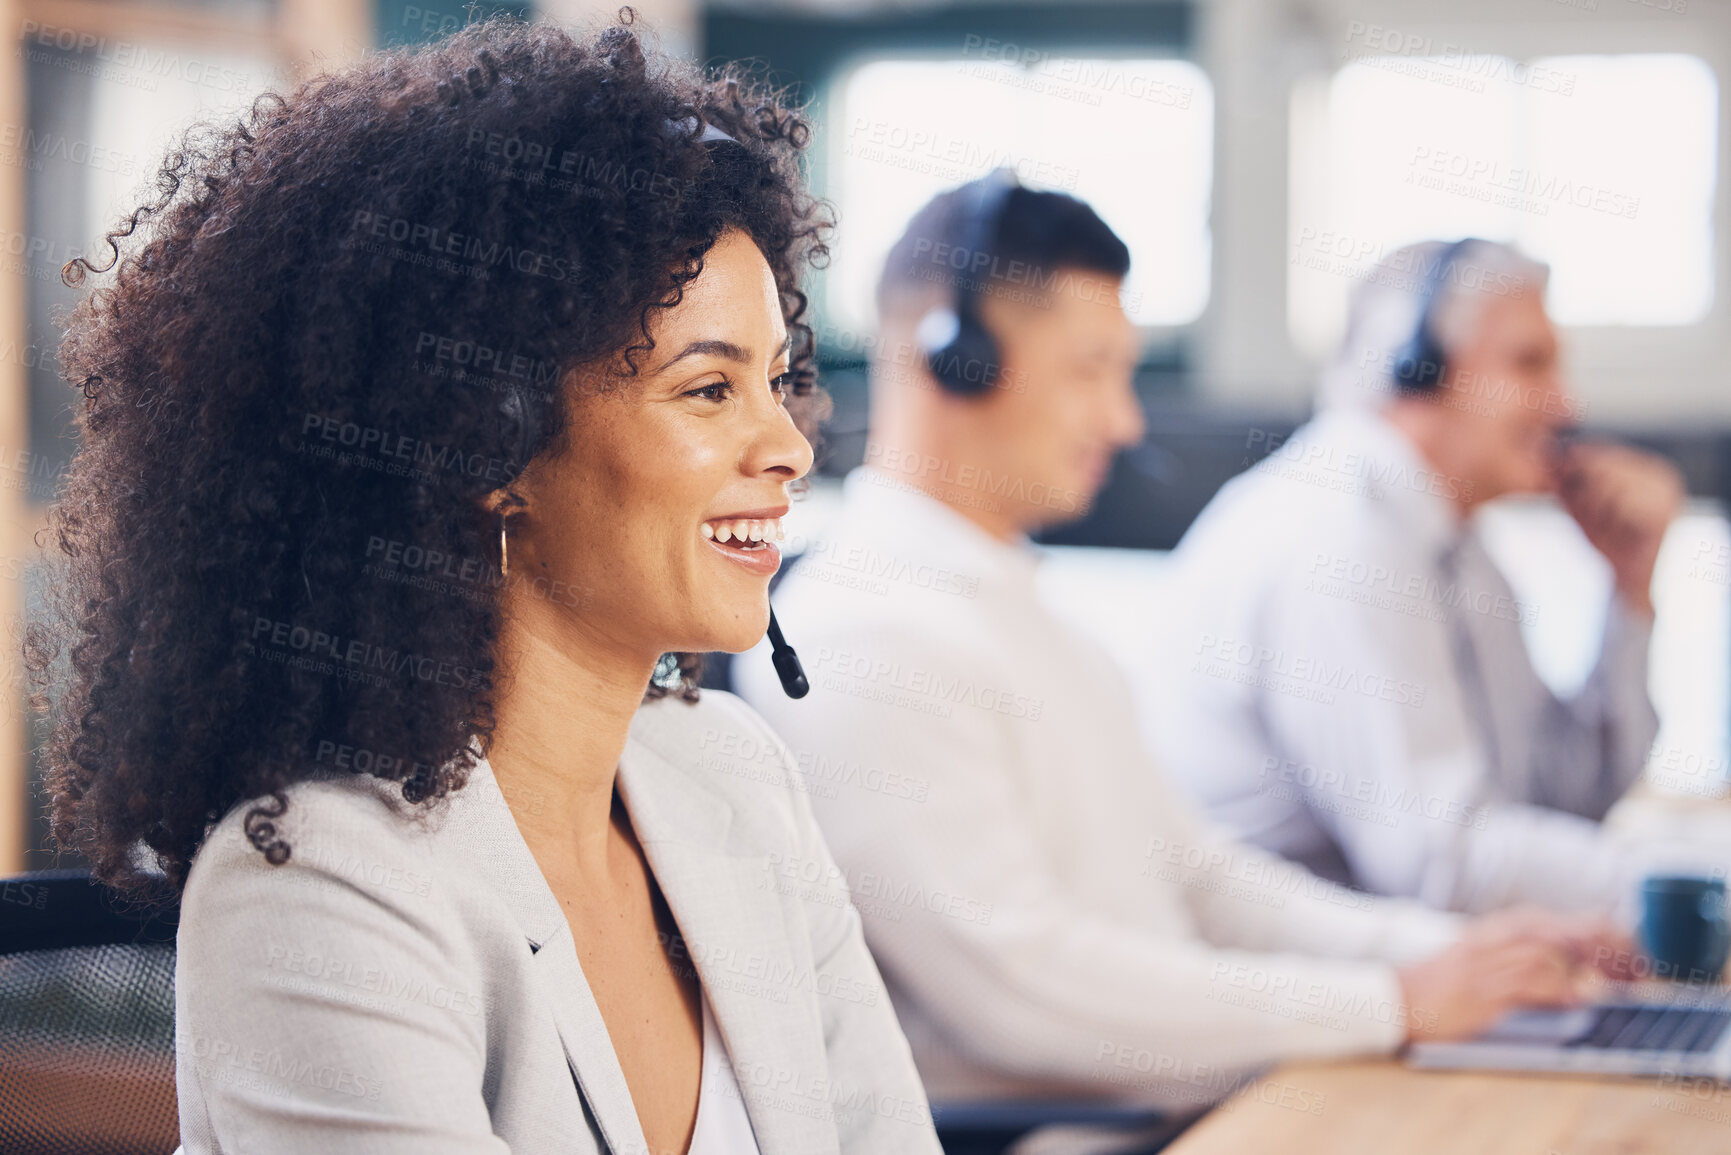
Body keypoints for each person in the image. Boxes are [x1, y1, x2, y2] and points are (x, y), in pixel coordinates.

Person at [31, 16, 940, 1154]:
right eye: (709, 392)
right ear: (487, 448)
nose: (790, 446)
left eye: (776, 378)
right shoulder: (319, 886)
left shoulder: (733, 779)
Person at [735, 178, 1623, 1117]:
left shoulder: (1031, 619)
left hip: (1191, 1107)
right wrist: (1393, 1003)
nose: (1123, 422)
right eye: (1090, 370)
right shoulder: (859, 637)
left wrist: (1438, 956)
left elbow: (1202, 879)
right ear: (952, 362)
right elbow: (1022, 990)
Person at [1145, 238, 1686, 917]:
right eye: (1529, 364)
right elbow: (1442, 864)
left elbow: (1563, 798)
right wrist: (1683, 888)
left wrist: (1628, 591)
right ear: (1417, 367)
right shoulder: (1337, 538)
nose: (1565, 404)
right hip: (1301, 995)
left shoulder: (1457, 546)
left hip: (1409, 976)